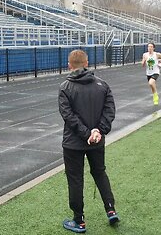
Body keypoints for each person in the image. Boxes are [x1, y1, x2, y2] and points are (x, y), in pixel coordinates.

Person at [58, 49, 120, 233]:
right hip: (96, 141)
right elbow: (110, 111)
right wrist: (98, 132)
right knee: (100, 173)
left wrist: (87, 134)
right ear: (87, 63)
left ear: (69, 65)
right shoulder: (103, 85)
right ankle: (110, 209)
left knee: (75, 180)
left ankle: (79, 221)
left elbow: (68, 117)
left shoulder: (65, 88)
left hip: (73, 143)